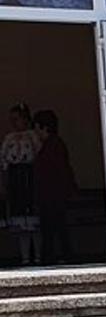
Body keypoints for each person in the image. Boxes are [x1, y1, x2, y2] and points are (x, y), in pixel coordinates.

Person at [32, 110, 76, 265]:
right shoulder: (53, 144)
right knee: (56, 227)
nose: (36, 132)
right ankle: (60, 255)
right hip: (53, 195)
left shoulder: (52, 146)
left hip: (52, 195)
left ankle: (52, 257)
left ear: (43, 128)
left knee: (52, 228)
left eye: (37, 128)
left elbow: (54, 172)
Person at [0, 103, 42, 265]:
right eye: (12, 120)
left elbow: (39, 157)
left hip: (30, 179)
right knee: (20, 224)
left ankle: (37, 256)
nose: (14, 123)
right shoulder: (9, 138)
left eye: (17, 119)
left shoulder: (33, 136)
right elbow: (3, 161)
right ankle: (25, 258)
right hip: (15, 180)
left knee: (34, 222)